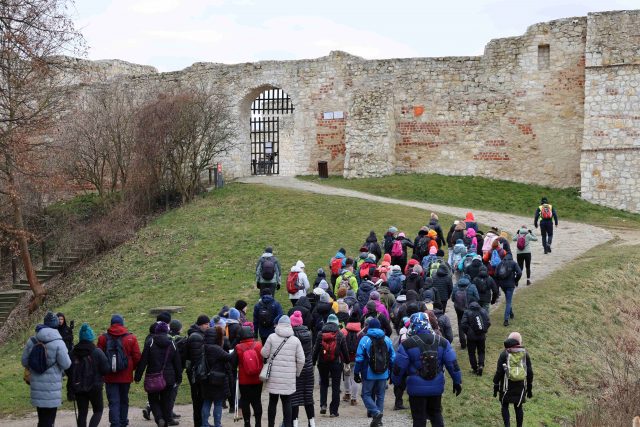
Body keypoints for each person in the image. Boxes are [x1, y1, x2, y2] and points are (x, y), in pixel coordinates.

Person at [391, 313, 462, 427]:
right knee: (436, 414)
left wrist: (396, 382)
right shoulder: (442, 342)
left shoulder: (407, 344)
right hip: (436, 386)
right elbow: (452, 364)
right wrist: (457, 381)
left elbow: (398, 367)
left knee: (419, 418)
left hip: (416, 388)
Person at [21, 311, 72, 427]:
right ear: (55, 325)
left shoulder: (32, 340)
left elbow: (24, 361)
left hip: (37, 387)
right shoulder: (59, 343)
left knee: (42, 420)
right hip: (52, 389)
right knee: (49, 421)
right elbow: (67, 364)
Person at [135, 321, 182, 427]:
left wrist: (138, 376)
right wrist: (179, 377)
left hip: (153, 377)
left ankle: (159, 418)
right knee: (166, 401)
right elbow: (177, 362)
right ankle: (165, 421)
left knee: (153, 399)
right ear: (167, 331)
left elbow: (143, 361)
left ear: (156, 331)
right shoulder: (172, 343)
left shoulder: (150, 342)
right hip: (169, 377)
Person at [97, 314, 141, 427]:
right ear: (122, 323)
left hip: (109, 376)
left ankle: (115, 423)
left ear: (111, 323)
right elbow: (137, 357)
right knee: (124, 399)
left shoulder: (103, 338)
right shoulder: (131, 338)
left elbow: (99, 357)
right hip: (126, 375)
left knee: (113, 401)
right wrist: (132, 368)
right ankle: (123, 421)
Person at [261, 315, 305, 427]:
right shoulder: (295, 340)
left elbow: (264, 353)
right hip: (288, 377)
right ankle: (287, 425)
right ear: (290, 325)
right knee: (287, 402)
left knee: (272, 401)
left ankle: (271, 424)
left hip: (274, 376)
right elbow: (301, 360)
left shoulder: (271, 337)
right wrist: (297, 373)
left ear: (278, 324)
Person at [354, 317, 396, 427]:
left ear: (369, 327)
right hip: (383, 373)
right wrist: (391, 372)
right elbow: (392, 357)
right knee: (380, 395)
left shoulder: (365, 339)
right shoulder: (387, 339)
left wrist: (356, 372)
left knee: (366, 394)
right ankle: (378, 420)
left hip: (368, 373)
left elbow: (359, 358)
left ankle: (376, 413)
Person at [66, 323, 110, 427]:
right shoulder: (97, 352)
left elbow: (68, 370)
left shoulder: (72, 352)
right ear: (91, 337)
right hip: (95, 386)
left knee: (82, 412)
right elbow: (106, 369)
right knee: (98, 410)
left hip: (78, 386)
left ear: (80, 337)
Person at [493, 332, 534, 427]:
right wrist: (529, 385)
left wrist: (495, 383)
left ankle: (507, 425)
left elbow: (499, 372)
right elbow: (530, 372)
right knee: (518, 407)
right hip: (520, 385)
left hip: (506, 385)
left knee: (504, 405)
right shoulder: (525, 354)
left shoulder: (504, 354)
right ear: (519, 341)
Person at [313, 313, 350, 417]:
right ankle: (333, 411)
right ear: (336, 323)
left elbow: (316, 349)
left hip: (322, 362)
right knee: (335, 386)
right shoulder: (340, 334)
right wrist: (347, 362)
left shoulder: (320, 334)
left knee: (324, 383)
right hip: (336, 363)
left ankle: (323, 405)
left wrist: (313, 361)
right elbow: (345, 350)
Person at [199, 327, 233, 427]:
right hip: (217, 379)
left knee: (207, 401)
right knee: (218, 403)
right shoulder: (216, 348)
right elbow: (229, 357)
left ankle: (204, 424)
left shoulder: (203, 346)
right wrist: (235, 350)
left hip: (205, 378)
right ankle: (217, 424)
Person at [289, 311, 316, 427]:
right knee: (308, 396)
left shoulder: (292, 336)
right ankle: (312, 422)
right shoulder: (309, 334)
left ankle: (295, 423)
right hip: (308, 368)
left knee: (295, 398)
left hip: (296, 369)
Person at [233, 326, 263, 427]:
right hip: (257, 379)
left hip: (244, 380)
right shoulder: (258, 345)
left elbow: (233, 363)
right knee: (257, 400)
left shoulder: (238, 347)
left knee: (245, 401)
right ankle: (258, 423)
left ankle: (247, 423)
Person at [183, 315, 210, 427]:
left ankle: (203, 422)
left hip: (198, 373)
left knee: (201, 399)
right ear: (200, 325)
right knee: (198, 400)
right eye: (206, 324)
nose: (208, 326)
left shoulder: (199, 335)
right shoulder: (196, 337)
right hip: (196, 375)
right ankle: (198, 423)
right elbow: (196, 359)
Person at [460, 302, 491, 376]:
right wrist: (484, 330)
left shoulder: (467, 312)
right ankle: (481, 365)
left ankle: (474, 368)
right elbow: (488, 322)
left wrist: (468, 332)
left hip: (471, 337)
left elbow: (463, 324)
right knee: (481, 351)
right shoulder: (483, 311)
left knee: (471, 353)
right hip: (481, 336)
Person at [494, 253, 522, 327]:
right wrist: (515, 281)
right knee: (508, 301)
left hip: (502, 285)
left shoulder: (500, 263)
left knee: (508, 299)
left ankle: (511, 313)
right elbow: (519, 272)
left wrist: (499, 283)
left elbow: (496, 274)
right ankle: (506, 320)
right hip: (510, 285)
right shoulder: (513, 263)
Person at [451, 275, 479, 349]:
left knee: (460, 324)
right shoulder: (472, 286)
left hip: (458, 308)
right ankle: (470, 342)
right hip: (469, 308)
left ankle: (463, 344)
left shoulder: (456, 286)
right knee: (470, 324)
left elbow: (453, 299)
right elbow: (477, 298)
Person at [341, 311, 362, 407]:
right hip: (357, 359)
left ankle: (347, 394)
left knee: (346, 376)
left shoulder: (343, 332)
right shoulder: (361, 333)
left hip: (346, 359)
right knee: (355, 378)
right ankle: (354, 399)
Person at [167, 320, 184, 422]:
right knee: (172, 393)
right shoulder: (180, 340)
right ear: (178, 329)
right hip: (176, 369)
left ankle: (170, 411)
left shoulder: (167, 337)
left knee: (168, 393)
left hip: (166, 368)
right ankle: (168, 413)